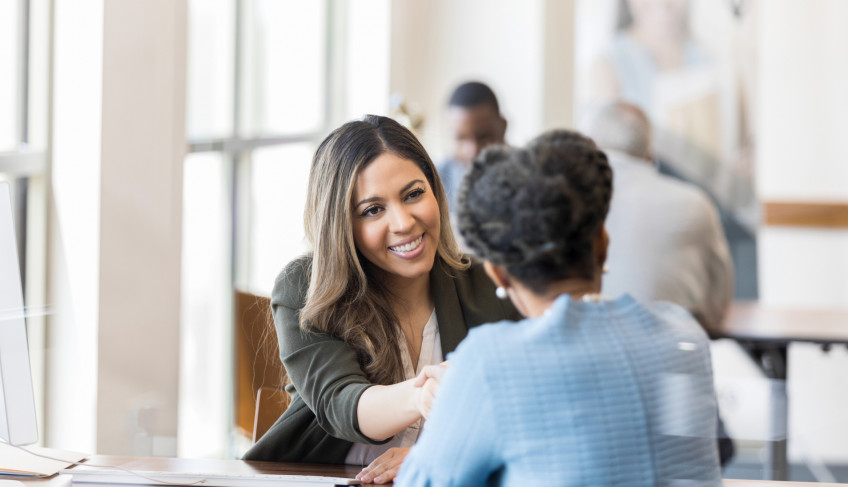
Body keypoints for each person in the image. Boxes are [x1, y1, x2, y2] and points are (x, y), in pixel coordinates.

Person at [397, 130, 722, 486]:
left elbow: (423, 483)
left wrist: (452, 410)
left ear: (498, 273)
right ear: (602, 244)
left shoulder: (491, 363)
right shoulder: (683, 334)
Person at [242, 115, 519, 484]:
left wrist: (437, 454)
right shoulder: (304, 287)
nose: (403, 222)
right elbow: (341, 402)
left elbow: (531, 413)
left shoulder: (489, 284)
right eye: (373, 210)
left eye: (414, 194)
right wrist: (423, 395)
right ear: (341, 224)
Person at [582, 101, 733, 334]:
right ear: (650, 150)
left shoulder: (571, 202)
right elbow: (717, 303)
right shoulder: (694, 203)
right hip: (677, 352)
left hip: (588, 343)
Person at [436, 81, 507, 212]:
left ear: (503, 128)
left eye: (484, 137)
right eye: (461, 138)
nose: (473, 151)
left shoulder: (528, 178)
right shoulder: (436, 182)